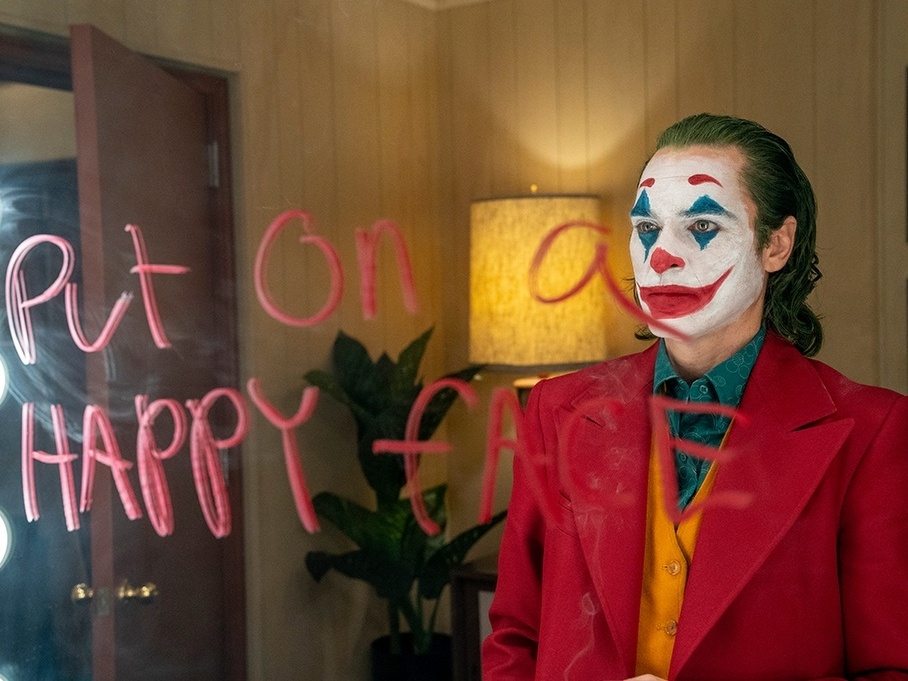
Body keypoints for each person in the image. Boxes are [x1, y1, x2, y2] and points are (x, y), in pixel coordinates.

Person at [482, 113, 908, 680]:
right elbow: (515, 637)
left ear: (776, 244)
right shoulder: (557, 411)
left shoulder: (873, 431)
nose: (661, 256)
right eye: (646, 228)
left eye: (703, 226)